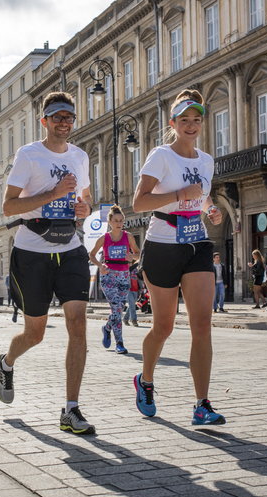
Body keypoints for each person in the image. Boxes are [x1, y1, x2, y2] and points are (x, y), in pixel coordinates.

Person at [0, 91, 96, 435]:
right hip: (32, 252)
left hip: (69, 248)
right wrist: (52, 194)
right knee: (35, 334)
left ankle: (71, 409)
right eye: (57, 117)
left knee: (78, 323)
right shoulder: (29, 155)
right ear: (45, 121)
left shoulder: (80, 157)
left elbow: (85, 198)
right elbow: (9, 207)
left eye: (69, 117)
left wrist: (85, 209)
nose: (64, 123)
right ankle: (6, 363)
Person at [130, 89, 226, 426]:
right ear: (173, 123)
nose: (191, 126)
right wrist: (177, 194)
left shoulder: (206, 160)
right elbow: (138, 203)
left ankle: (202, 404)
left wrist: (210, 209)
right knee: (163, 327)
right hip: (162, 244)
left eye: (196, 120)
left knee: (202, 324)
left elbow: (201, 197)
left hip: (196, 242)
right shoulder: (161, 156)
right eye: (184, 120)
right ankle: (145, 380)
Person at [88, 204, 140, 354]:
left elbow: (138, 254)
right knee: (117, 310)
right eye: (116, 220)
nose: (119, 223)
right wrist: (100, 265)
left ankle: (107, 328)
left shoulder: (128, 236)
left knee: (119, 311)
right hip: (108, 275)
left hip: (124, 277)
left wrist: (132, 257)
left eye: (121, 221)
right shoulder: (104, 238)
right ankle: (119, 343)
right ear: (110, 221)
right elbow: (91, 254)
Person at [123, 263, 141, 327]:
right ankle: (134, 320)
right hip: (128, 289)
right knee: (132, 305)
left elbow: (139, 278)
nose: (129, 263)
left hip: (135, 290)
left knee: (132, 305)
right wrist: (138, 261)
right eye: (128, 262)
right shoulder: (125, 268)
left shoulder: (136, 269)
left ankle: (125, 319)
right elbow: (130, 269)